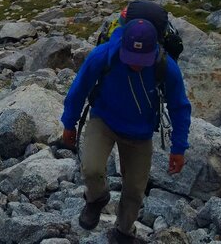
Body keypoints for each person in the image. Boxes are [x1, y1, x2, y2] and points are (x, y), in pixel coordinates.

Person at [61, 16, 192, 242]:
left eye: (143, 59)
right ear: (122, 45)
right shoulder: (103, 56)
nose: (136, 64)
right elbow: (79, 89)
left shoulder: (166, 66)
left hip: (140, 133)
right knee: (91, 169)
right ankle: (96, 199)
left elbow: (180, 107)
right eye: (131, 57)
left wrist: (178, 148)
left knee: (134, 191)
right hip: (104, 120)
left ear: (154, 51)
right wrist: (69, 124)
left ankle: (123, 231)